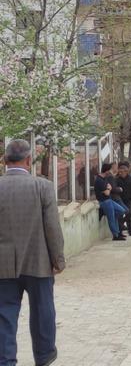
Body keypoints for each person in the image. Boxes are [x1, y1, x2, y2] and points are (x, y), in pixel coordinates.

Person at [0, 139, 64, 366]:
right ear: (28, 160)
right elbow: (52, 227)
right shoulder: (43, 186)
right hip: (39, 262)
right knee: (43, 311)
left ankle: (5, 361)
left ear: (4, 160)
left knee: (4, 316)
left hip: (3, 266)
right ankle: (44, 356)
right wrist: (58, 259)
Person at [94, 163, 128, 241]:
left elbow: (110, 187)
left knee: (121, 211)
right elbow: (107, 192)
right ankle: (115, 235)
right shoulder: (99, 180)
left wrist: (109, 188)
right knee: (111, 218)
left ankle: (116, 231)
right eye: (109, 170)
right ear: (106, 171)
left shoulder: (105, 178)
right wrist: (109, 188)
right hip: (104, 201)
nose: (110, 172)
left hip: (109, 200)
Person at [116, 161, 131, 237]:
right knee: (119, 216)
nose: (120, 173)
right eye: (119, 172)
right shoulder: (117, 179)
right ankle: (120, 231)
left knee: (129, 215)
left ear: (126, 172)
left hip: (129, 200)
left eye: (122, 172)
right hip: (119, 200)